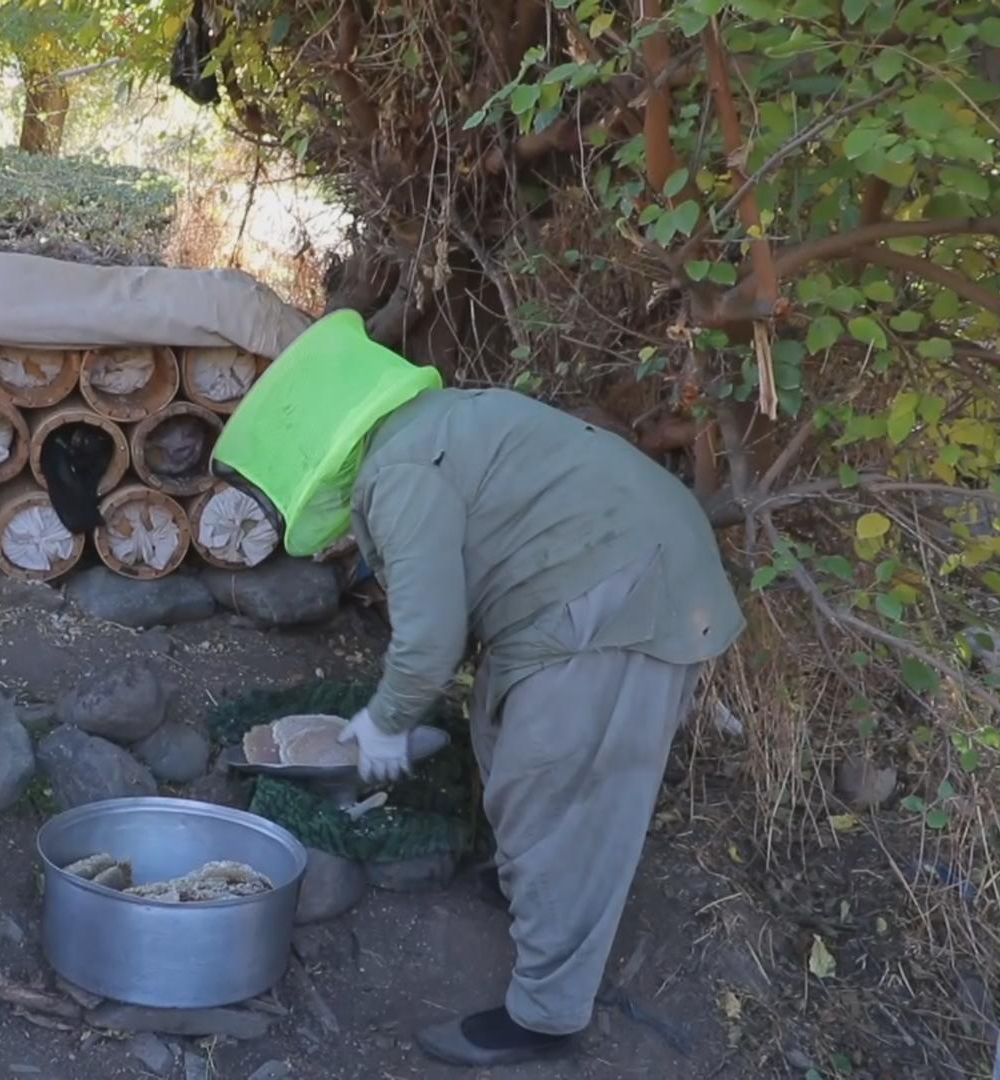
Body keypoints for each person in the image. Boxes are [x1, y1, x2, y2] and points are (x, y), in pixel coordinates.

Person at [211, 311, 742, 1068]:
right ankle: (532, 884)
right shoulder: (431, 428)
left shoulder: (400, 474)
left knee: (556, 794)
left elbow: (431, 641)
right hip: (590, 581)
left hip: (621, 599)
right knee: (501, 730)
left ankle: (546, 1016)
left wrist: (385, 722)